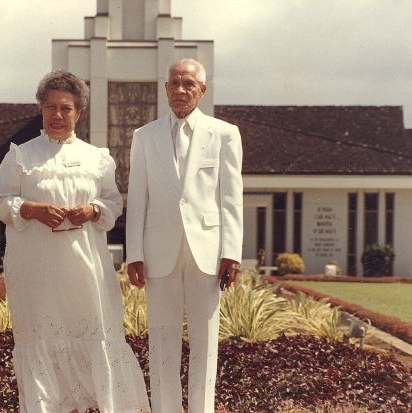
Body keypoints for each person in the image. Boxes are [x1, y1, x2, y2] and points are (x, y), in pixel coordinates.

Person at [0, 69, 150, 413]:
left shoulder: (97, 158)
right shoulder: (20, 155)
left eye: (65, 108)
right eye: (50, 107)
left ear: (79, 112)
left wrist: (92, 210)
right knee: (42, 339)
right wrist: (30, 209)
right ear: (41, 110)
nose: (57, 115)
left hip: (84, 267)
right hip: (36, 267)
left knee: (92, 334)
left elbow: (113, 203)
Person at [125, 58, 244, 413]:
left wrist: (232, 252)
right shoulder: (144, 137)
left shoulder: (224, 134)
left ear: (201, 90)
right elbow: (137, 197)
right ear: (165, 89)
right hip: (158, 253)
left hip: (207, 253)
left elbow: (230, 197)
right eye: (174, 83)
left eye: (188, 84)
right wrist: (134, 254)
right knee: (162, 342)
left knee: (206, 343)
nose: (180, 90)